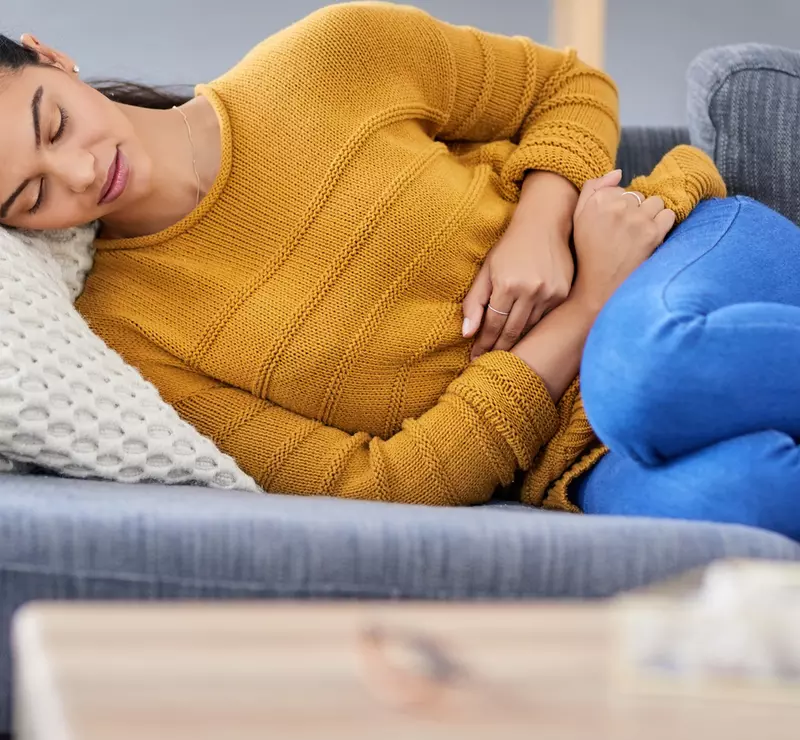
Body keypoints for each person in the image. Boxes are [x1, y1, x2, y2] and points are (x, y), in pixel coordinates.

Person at [3, 4, 793, 540]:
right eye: (32, 194)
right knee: (742, 500)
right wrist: (586, 305)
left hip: (678, 257)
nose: (77, 173)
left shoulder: (326, 57)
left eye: (55, 122)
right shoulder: (127, 334)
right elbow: (375, 486)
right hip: (577, 456)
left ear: (52, 57)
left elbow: (567, 86)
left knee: (644, 375)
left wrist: (541, 224)